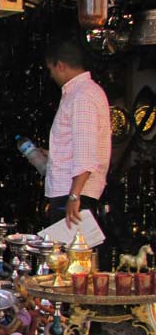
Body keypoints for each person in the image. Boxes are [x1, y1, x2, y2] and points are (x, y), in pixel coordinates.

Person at [41, 37, 111, 228]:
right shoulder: (81, 92)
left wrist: (74, 196)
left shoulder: (82, 96)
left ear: (61, 66)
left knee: (72, 255)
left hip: (73, 193)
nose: (51, 75)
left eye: (51, 69)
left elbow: (85, 152)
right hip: (72, 191)